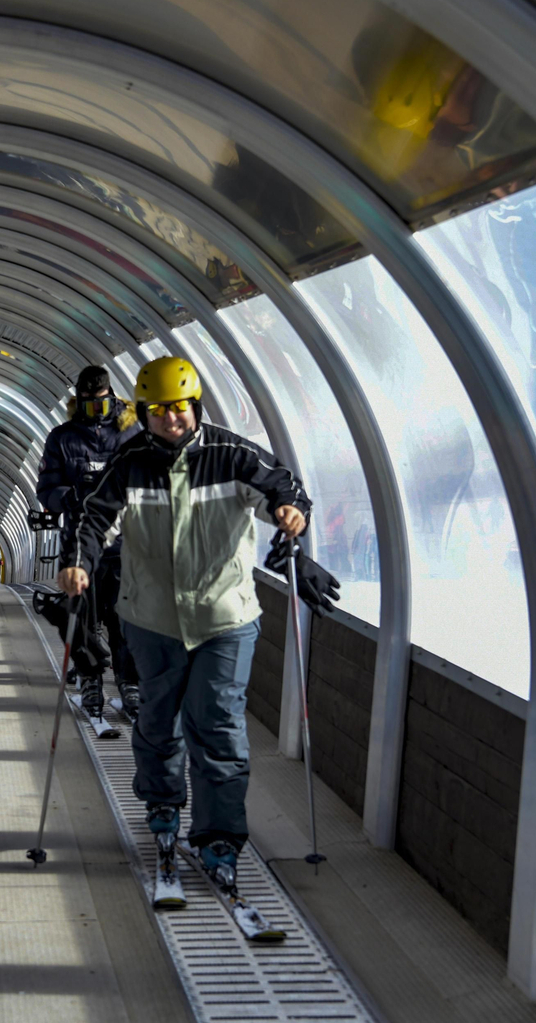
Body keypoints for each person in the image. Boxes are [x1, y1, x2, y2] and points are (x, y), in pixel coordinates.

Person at [60, 356, 338, 893]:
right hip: (152, 617)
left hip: (225, 616)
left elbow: (284, 486)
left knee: (216, 724)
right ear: (142, 413)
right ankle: (163, 806)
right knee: (160, 719)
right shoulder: (131, 463)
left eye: (180, 408)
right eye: (159, 411)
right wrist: (80, 563)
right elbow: (94, 519)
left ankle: (218, 834)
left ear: (196, 406)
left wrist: (289, 511)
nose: (171, 420)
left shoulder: (232, 455)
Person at [36, 364, 143, 718]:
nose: (92, 413)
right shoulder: (62, 438)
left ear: (111, 399)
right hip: (79, 541)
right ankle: (90, 678)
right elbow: (46, 489)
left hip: (125, 540)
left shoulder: (130, 433)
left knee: (124, 614)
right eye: (85, 406)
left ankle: (130, 682)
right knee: (83, 613)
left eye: (99, 406)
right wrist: (71, 498)